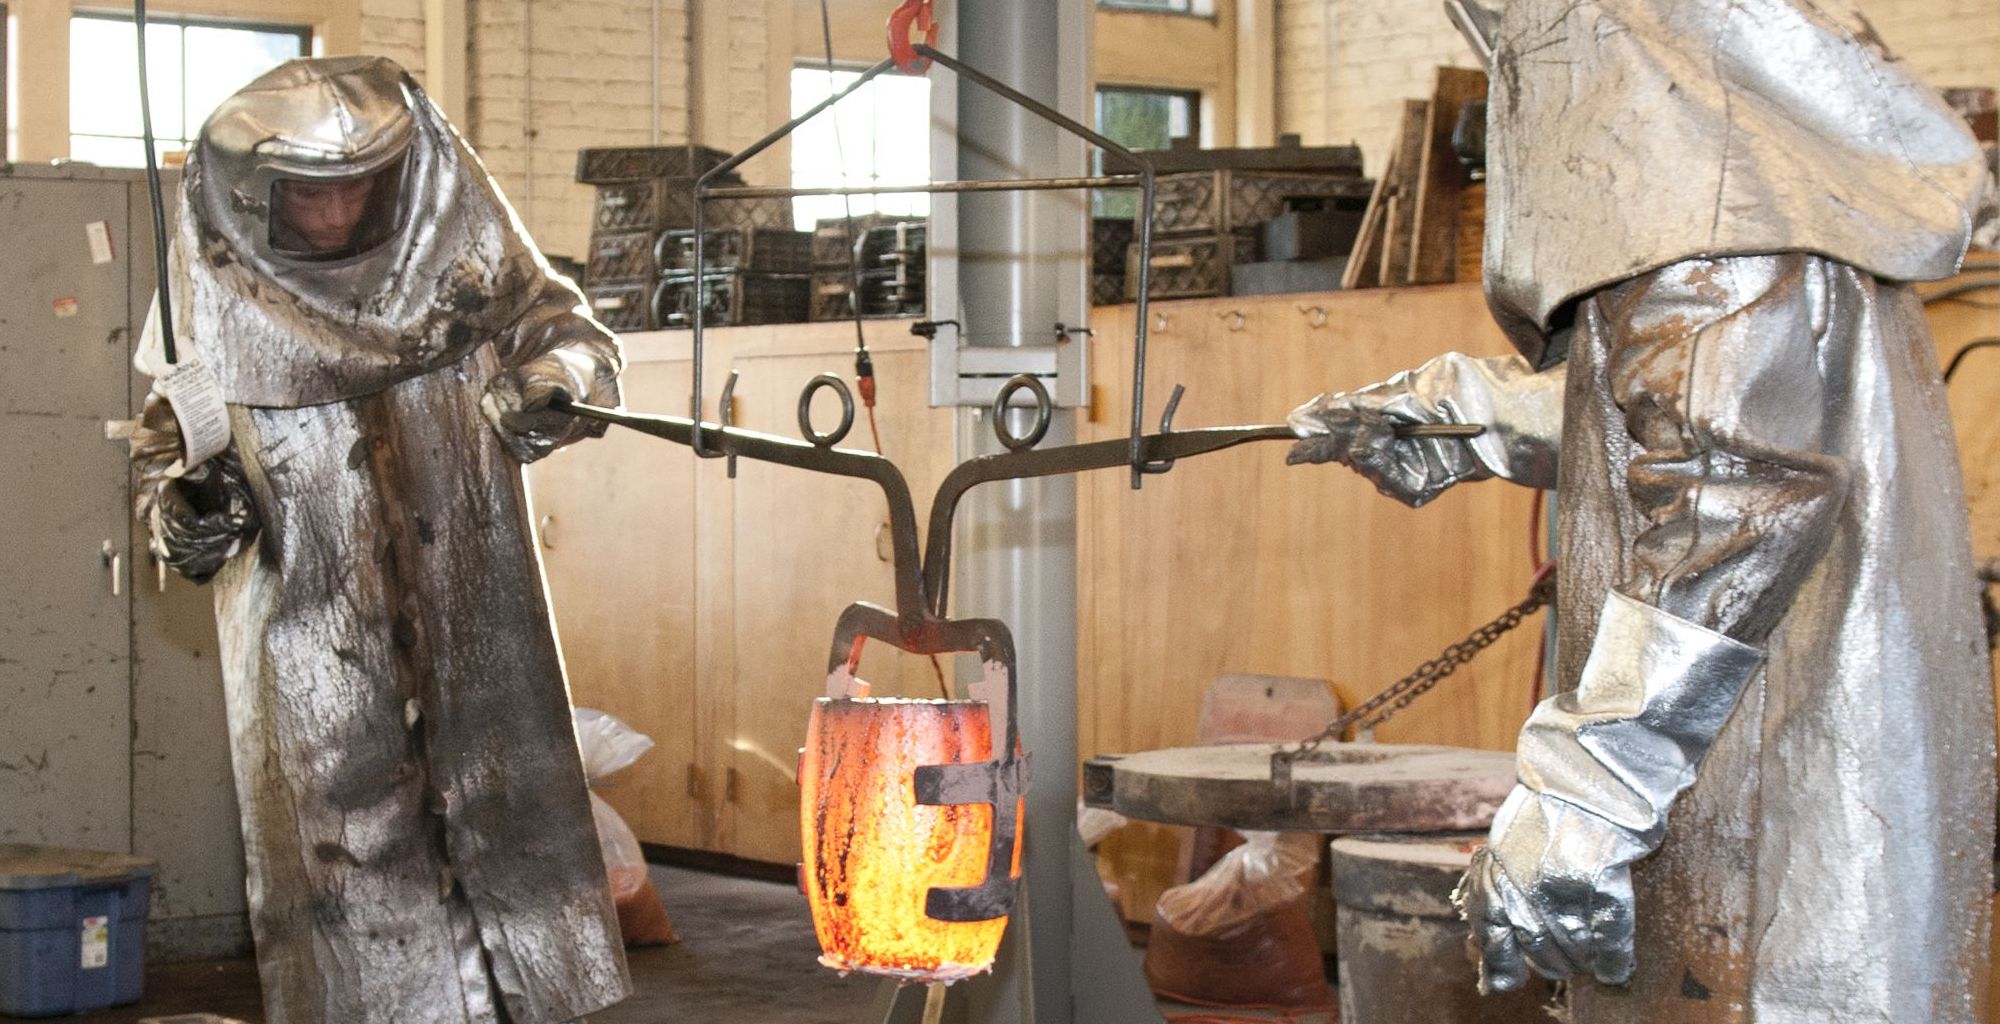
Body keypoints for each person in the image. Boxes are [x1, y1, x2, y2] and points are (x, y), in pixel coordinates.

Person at [1286, 1, 1995, 1020]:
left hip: (1774, 809)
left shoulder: (1681, 134)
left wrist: (1584, 792)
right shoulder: (1733, 150)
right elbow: (1715, 404)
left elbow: (1733, 487)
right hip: (1759, 770)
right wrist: (1479, 414)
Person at [129, 56, 630, 1024]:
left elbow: (570, 334)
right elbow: (167, 467)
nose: (336, 215)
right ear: (255, 194)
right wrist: (190, 512)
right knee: (349, 898)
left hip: (474, 617)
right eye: (311, 195)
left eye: (362, 188)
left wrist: (556, 384)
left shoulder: (462, 261)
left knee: (512, 859)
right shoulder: (209, 309)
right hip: (313, 646)